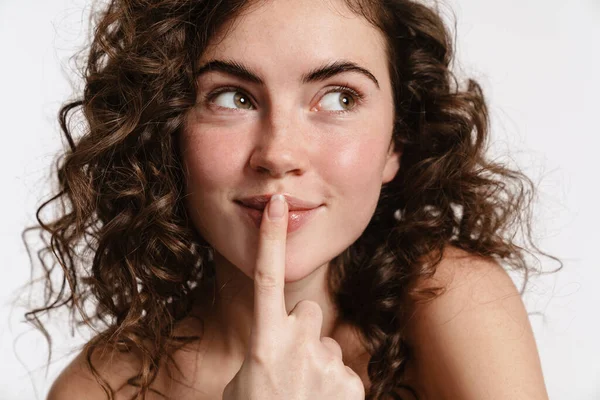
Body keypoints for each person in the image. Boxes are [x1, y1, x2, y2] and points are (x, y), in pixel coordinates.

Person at [22, 0, 559, 398]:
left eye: (339, 97)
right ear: (168, 133)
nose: (278, 154)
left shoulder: (454, 304)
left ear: (397, 140)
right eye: (232, 98)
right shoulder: (100, 389)